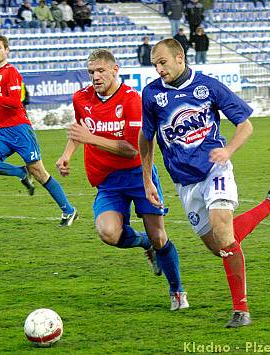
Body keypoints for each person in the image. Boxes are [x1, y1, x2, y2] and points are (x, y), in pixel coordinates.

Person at [139, 38, 270, 328]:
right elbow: (146, 137)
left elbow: (246, 125)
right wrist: (147, 178)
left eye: (162, 62)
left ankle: (241, 310)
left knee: (225, 233)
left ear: (180, 58)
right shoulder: (151, 95)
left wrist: (227, 151)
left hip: (215, 170)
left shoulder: (208, 86)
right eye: (154, 64)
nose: (158, 69)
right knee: (219, 246)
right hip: (184, 182)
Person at [56, 49, 188, 310]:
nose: (95, 76)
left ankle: (177, 291)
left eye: (100, 71)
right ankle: (143, 242)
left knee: (160, 236)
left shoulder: (131, 99)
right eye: (91, 72)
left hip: (140, 175)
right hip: (107, 180)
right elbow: (80, 129)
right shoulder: (81, 98)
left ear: (115, 69)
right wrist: (66, 155)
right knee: (108, 233)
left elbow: (131, 148)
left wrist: (90, 139)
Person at [0, 35, 78, 227]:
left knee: (40, 173)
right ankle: (20, 173)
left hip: (20, 130)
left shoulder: (11, 72)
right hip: (2, 133)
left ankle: (69, 210)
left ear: (7, 50)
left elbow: (15, 102)